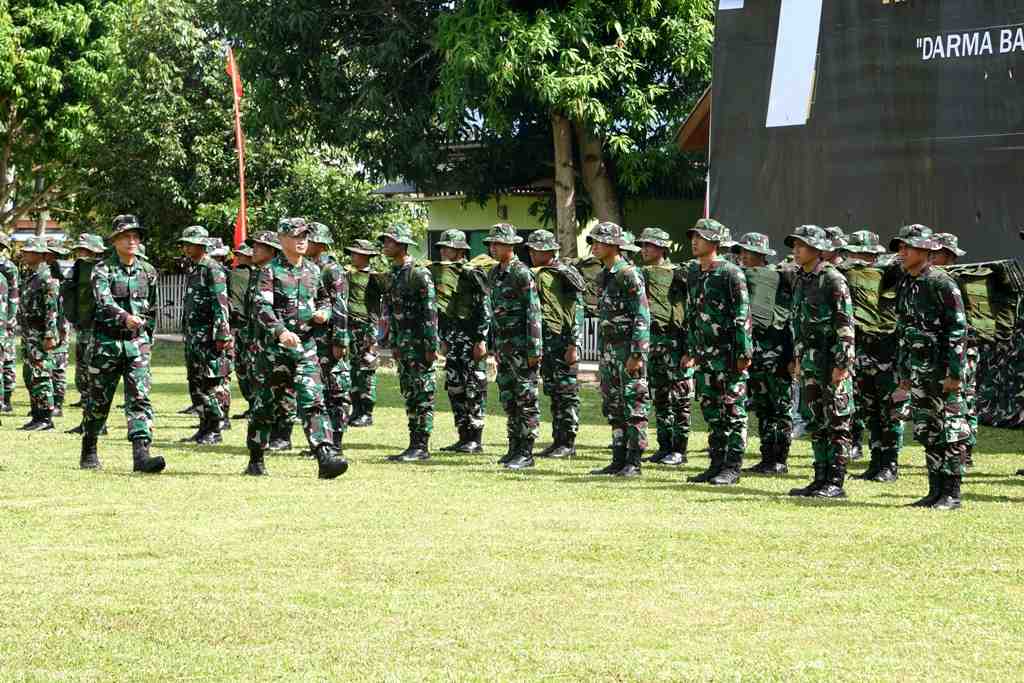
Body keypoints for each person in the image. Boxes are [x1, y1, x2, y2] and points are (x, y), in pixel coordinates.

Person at [243, 217, 348, 478]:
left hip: (306, 348)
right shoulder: (269, 272)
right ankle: (256, 458)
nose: (302, 241)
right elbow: (262, 307)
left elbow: (325, 300)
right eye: (296, 236)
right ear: (282, 240)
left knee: (313, 400)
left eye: (305, 236)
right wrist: (281, 332)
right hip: (273, 352)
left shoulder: (313, 271)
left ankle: (325, 456)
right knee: (265, 407)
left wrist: (324, 313)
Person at [891, 224, 970, 509]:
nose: (901, 252)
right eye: (900, 247)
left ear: (926, 251)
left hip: (942, 371)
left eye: (907, 247)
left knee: (950, 430)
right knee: (928, 430)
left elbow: (958, 329)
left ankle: (952, 493)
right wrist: (903, 373)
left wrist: (954, 373)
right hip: (918, 371)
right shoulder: (907, 282)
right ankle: (935, 490)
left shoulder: (942, 282)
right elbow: (902, 330)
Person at [78, 215, 165, 473]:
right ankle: (89, 448)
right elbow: (103, 301)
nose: (132, 241)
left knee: (140, 398)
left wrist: (148, 338)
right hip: (107, 344)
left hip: (137, 346)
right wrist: (125, 318)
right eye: (126, 236)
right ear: (115, 240)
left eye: (135, 236)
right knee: (98, 400)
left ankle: (141, 456)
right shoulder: (102, 269)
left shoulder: (148, 271)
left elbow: (154, 308)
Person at [786, 225, 856, 499]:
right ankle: (820, 478)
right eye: (794, 246)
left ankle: (835, 482)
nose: (795, 251)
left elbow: (845, 325)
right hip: (811, 363)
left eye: (800, 246)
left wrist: (842, 365)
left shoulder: (833, 279)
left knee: (836, 422)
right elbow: (799, 322)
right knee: (816, 421)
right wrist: (798, 359)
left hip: (832, 363)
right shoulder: (801, 279)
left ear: (816, 250)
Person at [681, 218, 753, 485]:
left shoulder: (731, 273)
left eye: (700, 237)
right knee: (712, 412)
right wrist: (691, 349)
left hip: (728, 356)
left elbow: (742, 315)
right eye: (693, 236)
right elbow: (692, 314)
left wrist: (743, 353)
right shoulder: (694, 272)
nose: (694, 241)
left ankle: (732, 467)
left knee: (732, 411)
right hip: (704, 355)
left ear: (715, 242)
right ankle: (716, 463)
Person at [839, 230, 908, 482]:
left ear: (874, 254)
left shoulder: (894, 274)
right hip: (863, 353)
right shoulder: (847, 276)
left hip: (888, 354)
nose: (855, 258)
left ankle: (889, 465)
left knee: (890, 412)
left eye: (860, 253)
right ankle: (875, 462)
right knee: (870, 412)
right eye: (852, 253)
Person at [588, 222, 651, 477]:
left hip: (627, 352)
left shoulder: (629, 273)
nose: (594, 246)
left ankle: (634, 462)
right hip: (609, 352)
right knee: (614, 406)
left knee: (633, 405)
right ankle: (618, 458)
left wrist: (637, 354)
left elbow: (642, 315)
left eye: (599, 241)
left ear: (613, 245)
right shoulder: (604, 275)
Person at [733, 233, 795, 475]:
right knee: (764, 407)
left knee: (778, 407)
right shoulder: (758, 276)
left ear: (762, 254)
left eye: (749, 251)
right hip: (760, 353)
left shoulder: (768, 276)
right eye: (742, 251)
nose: (744, 255)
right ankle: (768, 457)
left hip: (776, 353)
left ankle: (778, 459)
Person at [485, 223, 542, 470]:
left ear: (510, 246)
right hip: (504, 347)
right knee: (508, 397)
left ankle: (526, 452)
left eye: (497, 244)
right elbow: (492, 313)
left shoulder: (522, 273)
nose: (493, 248)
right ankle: (513, 446)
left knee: (525, 399)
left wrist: (533, 350)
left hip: (521, 348)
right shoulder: (495, 273)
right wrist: (492, 345)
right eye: (492, 244)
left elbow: (533, 313)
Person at [380, 222, 439, 462]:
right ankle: (413, 443)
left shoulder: (418, 273)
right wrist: (393, 342)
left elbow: (430, 312)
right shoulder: (394, 273)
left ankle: (421, 446)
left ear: (402, 245)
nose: (385, 245)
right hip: (403, 345)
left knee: (422, 394)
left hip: (419, 345)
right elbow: (393, 311)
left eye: (390, 241)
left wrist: (430, 346)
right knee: (410, 393)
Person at [636, 227, 692, 467]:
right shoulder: (639, 273)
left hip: (674, 341)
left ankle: (679, 450)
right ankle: (664, 446)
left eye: (649, 245)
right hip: (653, 342)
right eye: (643, 245)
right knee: (659, 397)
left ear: (662, 248)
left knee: (679, 398)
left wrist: (690, 350)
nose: (644, 249)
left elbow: (689, 311)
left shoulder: (679, 274)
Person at [527, 229, 584, 459]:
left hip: (563, 341)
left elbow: (577, 309)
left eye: (537, 249)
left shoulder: (565, 273)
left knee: (567, 393)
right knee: (554, 391)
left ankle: (568, 443)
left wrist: (574, 344)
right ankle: (558, 440)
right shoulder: (538, 273)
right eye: (531, 249)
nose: (532, 253)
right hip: (548, 340)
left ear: (550, 251)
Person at [435, 229, 490, 454]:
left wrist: (481, 339)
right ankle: (462, 435)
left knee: (473, 387)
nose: (444, 251)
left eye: (448, 248)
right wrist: (444, 339)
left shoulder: (472, 273)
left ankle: (475, 439)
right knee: (455, 387)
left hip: (471, 338)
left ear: (460, 250)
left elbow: (484, 307)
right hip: (453, 338)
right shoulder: (443, 274)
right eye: (443, 247)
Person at [178, 226, 233, 445]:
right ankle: (203, 427)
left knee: (211, 383)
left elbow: (221, 304)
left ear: (200, 245)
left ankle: (214, 429)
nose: (186, 248)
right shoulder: (195, 269)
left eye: (189, 244)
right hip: (194, 337)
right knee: (196, 381)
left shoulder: (212, 268)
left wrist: (222, 334)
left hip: (209, 338)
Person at [931, 233, 978, 467]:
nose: (931, 257)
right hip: (946, 350)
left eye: (936, 253)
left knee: (963, 401)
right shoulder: (932, 279)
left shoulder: (960, 280)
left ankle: (964, 451)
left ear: (948, 256)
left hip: (964, 350)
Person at [307, 221, 352, 449]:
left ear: (320, 243)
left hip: (330, 339)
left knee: (336, 390)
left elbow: (340, 306)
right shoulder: (308, 267)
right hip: (313, 340)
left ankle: (336, 441)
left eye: (309, 239)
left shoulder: (331, 269)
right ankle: (323, 440)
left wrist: (340, 340)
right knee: (319, 392)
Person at [62, 234, 106, 434]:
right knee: (82, 376)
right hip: (82, 329)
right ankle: (88, 422)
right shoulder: (78, 269)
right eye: (80, 250)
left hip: (98, 330)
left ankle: (96, 424)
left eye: (86, 250)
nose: (82, 253)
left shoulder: (104, 269)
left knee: (94, 377)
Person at [17, 238, 59, 431]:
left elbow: (51, 309)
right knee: (30, 374)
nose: (24, 254)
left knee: (41, 374)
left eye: (29, 251)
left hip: (41, 332)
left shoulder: (46, 278)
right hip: (29, 333)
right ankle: (36, 415)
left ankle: (46, 418)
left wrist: (50, 334)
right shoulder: (31, 277)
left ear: (40, 254)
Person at [345, 239, 384, 427]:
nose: (352, 256)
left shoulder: (374, 278)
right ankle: (356, 409)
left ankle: (367, 412)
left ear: (366, 256)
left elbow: (375, 309)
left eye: (356, 253)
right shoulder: (348, 275)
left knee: (366, 370)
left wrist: (372, 335)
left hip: (366, 327)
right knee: (353, 370)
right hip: (349, 328)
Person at [43, 239, 71, 417]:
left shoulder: (58, 270)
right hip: (56, 320)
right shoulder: (51, 269)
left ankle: (58, 404)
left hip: (60, 321)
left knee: (58, 365)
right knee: (52, 364)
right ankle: (51, 401)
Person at [228, 242, 254, 418]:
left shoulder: (236, 275)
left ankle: (254, 405)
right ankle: (254, 406)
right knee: (249, 369)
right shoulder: (264, 274)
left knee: (244, 369)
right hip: (252, 326)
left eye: (241, 255)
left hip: (242, 326)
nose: (237, 258)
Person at [0, 233, 18, 413]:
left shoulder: (8, 267)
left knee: (7, 360)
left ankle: (6, 399)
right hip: (5, 319)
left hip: (5, 320)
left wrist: (11, 319)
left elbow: (14, 295)